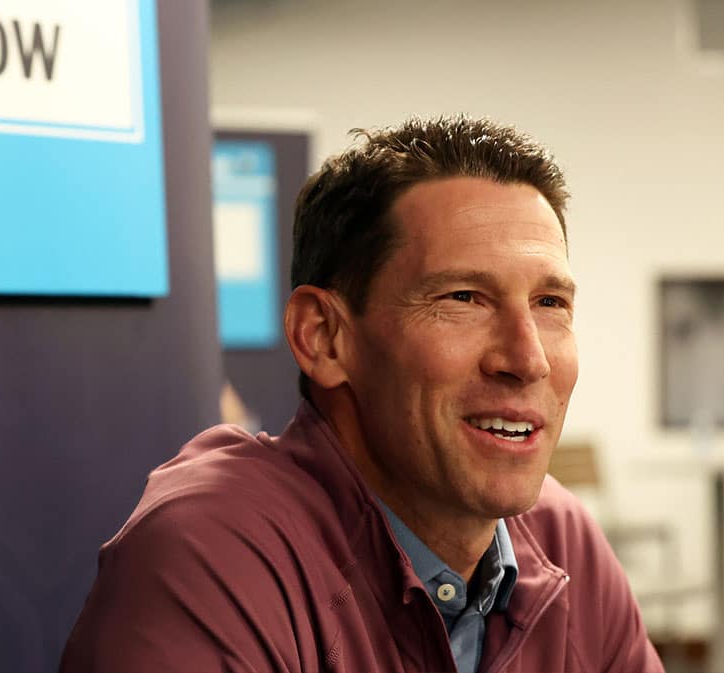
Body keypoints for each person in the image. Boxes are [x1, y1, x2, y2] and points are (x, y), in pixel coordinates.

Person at [60, 116, 663, 673]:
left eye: (550, 304)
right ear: (323, 337)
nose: (528, 358)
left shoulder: (562, 544)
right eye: (462, 298)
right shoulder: (212, 555)